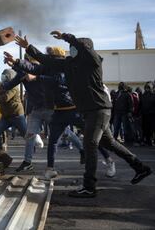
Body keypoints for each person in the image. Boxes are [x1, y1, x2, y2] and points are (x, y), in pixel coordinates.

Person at [15, 31, 152, 198]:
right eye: (70, 47)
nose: (71, 50)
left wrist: (68, 38)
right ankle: (141, 168)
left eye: (74, 47)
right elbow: (47, 61)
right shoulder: (70, 65)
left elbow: (85, 50)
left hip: (99, 109)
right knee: (110, 143)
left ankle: (89, 186)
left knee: (90, 144)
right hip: (88, 111)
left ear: (83, 48)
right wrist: (28, 48)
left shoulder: (94, 62)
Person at [2, 53, 53, 172]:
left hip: (49, 107)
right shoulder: (23, 72)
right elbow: (11, 82)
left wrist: (16, 65)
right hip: (36, 109)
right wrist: (12, 69)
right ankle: (27, 162)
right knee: (29, 136)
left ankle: (82, 149)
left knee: (63, 132)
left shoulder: (42, 68)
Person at [141, 82, 155, 146]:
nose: (147, 89)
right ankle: (148, 140)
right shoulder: (143, 95)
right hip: (145, 114)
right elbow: (140, 105)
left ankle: (151, 140)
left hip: (152, 114)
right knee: (146, 128)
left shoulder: (153, 95)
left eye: (148, 88)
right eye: (146, 88)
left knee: (151, 129)